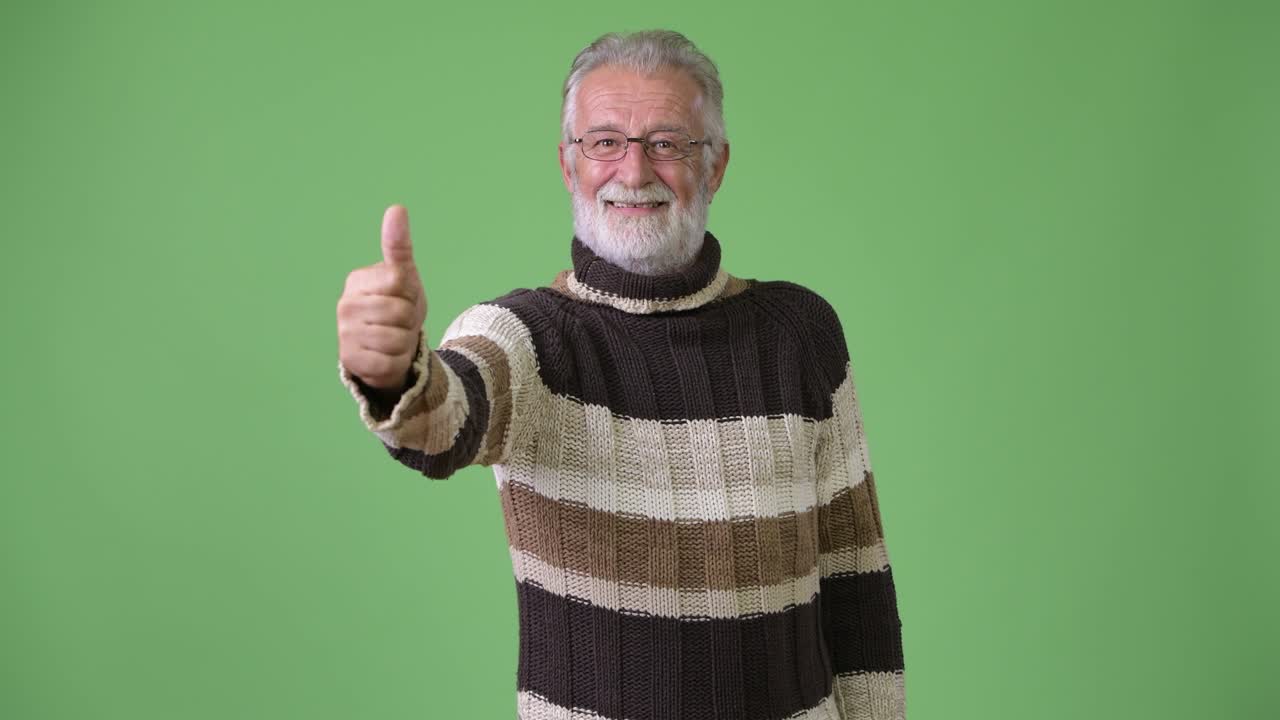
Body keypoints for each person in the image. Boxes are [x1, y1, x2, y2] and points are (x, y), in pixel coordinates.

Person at [336, 29, 906, 720]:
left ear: (716, 164)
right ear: (568, 166)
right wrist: (395, 376)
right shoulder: (527, 338)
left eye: (668, 143)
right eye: (604, 142)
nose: (634, 171)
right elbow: (445, 417)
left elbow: (857, 588)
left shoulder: (800, 334)